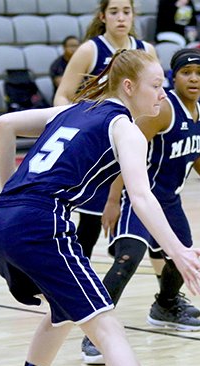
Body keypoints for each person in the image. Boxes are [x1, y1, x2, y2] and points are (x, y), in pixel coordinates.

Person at [0, 49, 200, 366]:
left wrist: (7, 190)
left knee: (62, 311)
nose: (162, 94)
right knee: (107, 327)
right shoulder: (125, 128)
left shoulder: (73, 110)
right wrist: (178, 250)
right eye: (156, 86)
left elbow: (3, 125)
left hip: (0, 223)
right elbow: (141, 197)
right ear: (128, 87)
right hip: (42, 225)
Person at [79, 48, 200, 365]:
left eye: (199, 73)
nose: (193, 79)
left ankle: (165, 305)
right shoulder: (163, 110)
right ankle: (95, 333)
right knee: (127, 259)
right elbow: (127, 152)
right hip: (138, 198)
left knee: (184, 257)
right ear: (173, 78)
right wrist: (112, 200)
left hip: (170, 202)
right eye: (185, 73)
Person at [53, 0, 158, 262]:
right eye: (114, 12)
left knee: (134, 223)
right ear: (103, 16)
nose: (121, 17)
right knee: (88, 227)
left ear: (134, 15)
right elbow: (63, 96)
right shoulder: (90, 50)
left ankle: (164, 298)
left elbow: (157, 95)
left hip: (131, 141)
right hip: (97, 143)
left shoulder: (146, 50)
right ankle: (73, 277)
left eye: (126, 11)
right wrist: (75, 128)